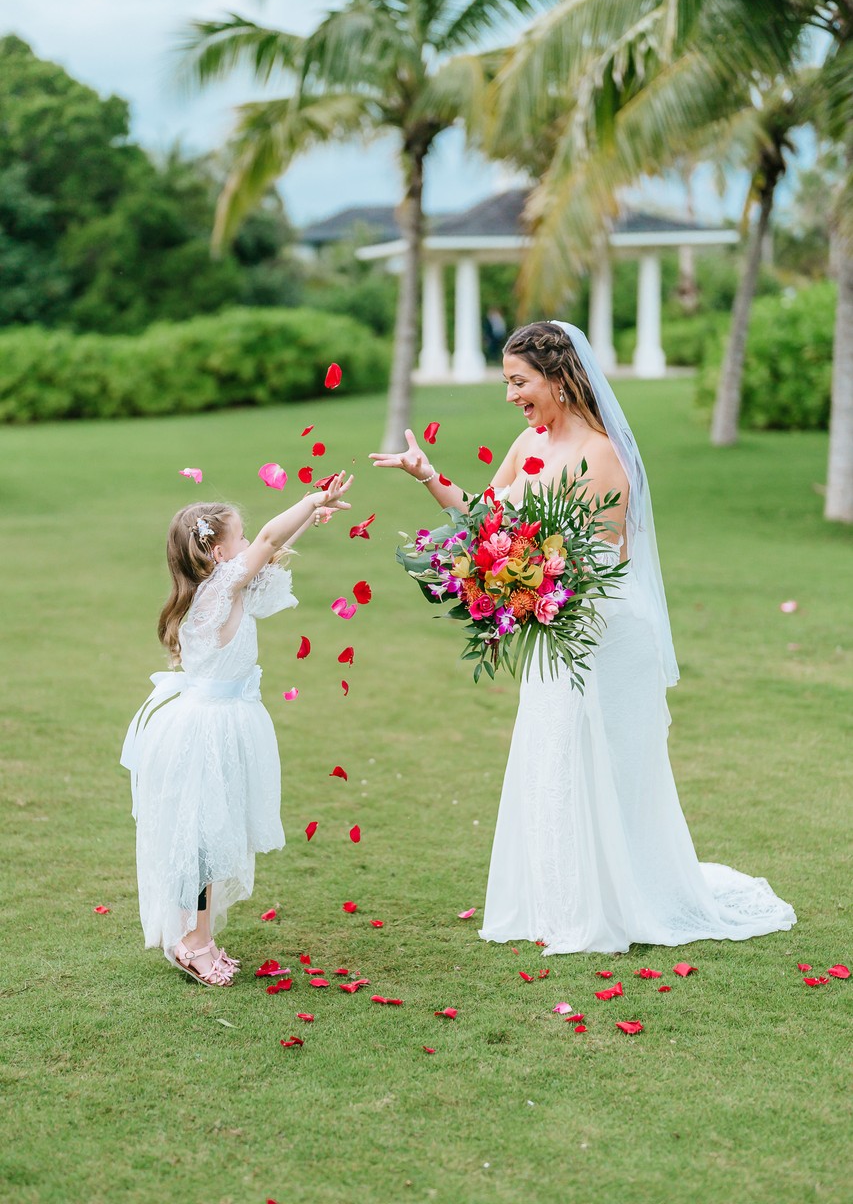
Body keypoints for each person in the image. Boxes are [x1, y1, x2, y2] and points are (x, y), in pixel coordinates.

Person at [370, 321, 795, 954]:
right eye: (507, 382)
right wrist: (428, 476)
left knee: (604, 762)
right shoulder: (528, 441)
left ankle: (613, 903)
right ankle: (561, 901)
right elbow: (488, 519)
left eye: (520, 381)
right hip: (555, 626)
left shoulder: (603, 454)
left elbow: (588, 556)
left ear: (560, 379)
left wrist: (519, 579)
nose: (511, 395)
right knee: (552, 754)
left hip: (603, 628)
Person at [121, 473, 353, 985]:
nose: (250, 542)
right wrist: (312, 498)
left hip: (220, 723)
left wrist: (309, 517)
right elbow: (269, 539)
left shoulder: (221, 586)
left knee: (211, 834)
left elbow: (270, 548)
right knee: (202, 840)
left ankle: (197, 935)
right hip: (207, 730)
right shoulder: (219, 591)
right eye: (240, 537)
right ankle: (192, 943)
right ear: (219, 554)